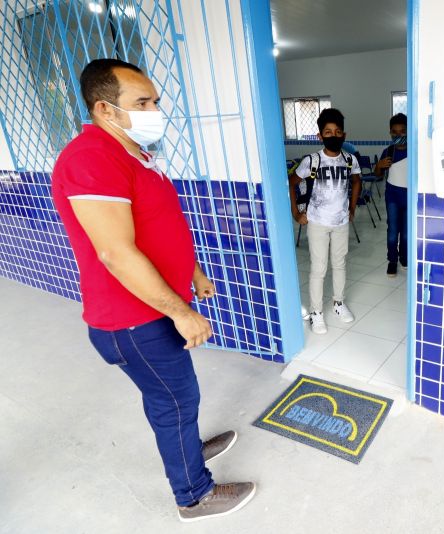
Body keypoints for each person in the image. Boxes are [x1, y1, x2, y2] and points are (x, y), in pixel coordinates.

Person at [51, 59, 255, 521]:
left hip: (153, 307)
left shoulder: (133, 154)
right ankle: (194, 494)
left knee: (175, 396)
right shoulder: (91, 158)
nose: (154, 110)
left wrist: (195, 274)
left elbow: (161, 226)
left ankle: (188, 448)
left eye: (155, 101)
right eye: (141, 102)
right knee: (174, 399)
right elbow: (116, 253)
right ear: (105, 108)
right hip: (132, 318)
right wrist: (181, 311)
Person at [289, 108, 362, 334]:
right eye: (328, 132)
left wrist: (351, 207)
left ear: (344, 135)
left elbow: (357, 182)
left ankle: (338, 303)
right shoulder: (312, 160)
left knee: (339, 264)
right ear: (320, 136)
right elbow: (291, 183)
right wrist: (296, 212)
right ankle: (316, 312)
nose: (333, 135)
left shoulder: (350, 159)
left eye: (338, 131)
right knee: (319, 268)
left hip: (340, 222)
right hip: (317, 222)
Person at [373, 113, 408, 277]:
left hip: (409, 197)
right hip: (392, 196)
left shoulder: (415, 151)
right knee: (393, 231)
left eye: (402, 131)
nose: (398, 135)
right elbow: (378, 175)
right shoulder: (388, 151)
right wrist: (379, 166)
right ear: (390, 133)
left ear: (409, 131)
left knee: (407, 232)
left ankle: (405, 258)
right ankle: (392, 261)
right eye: (394, 132)